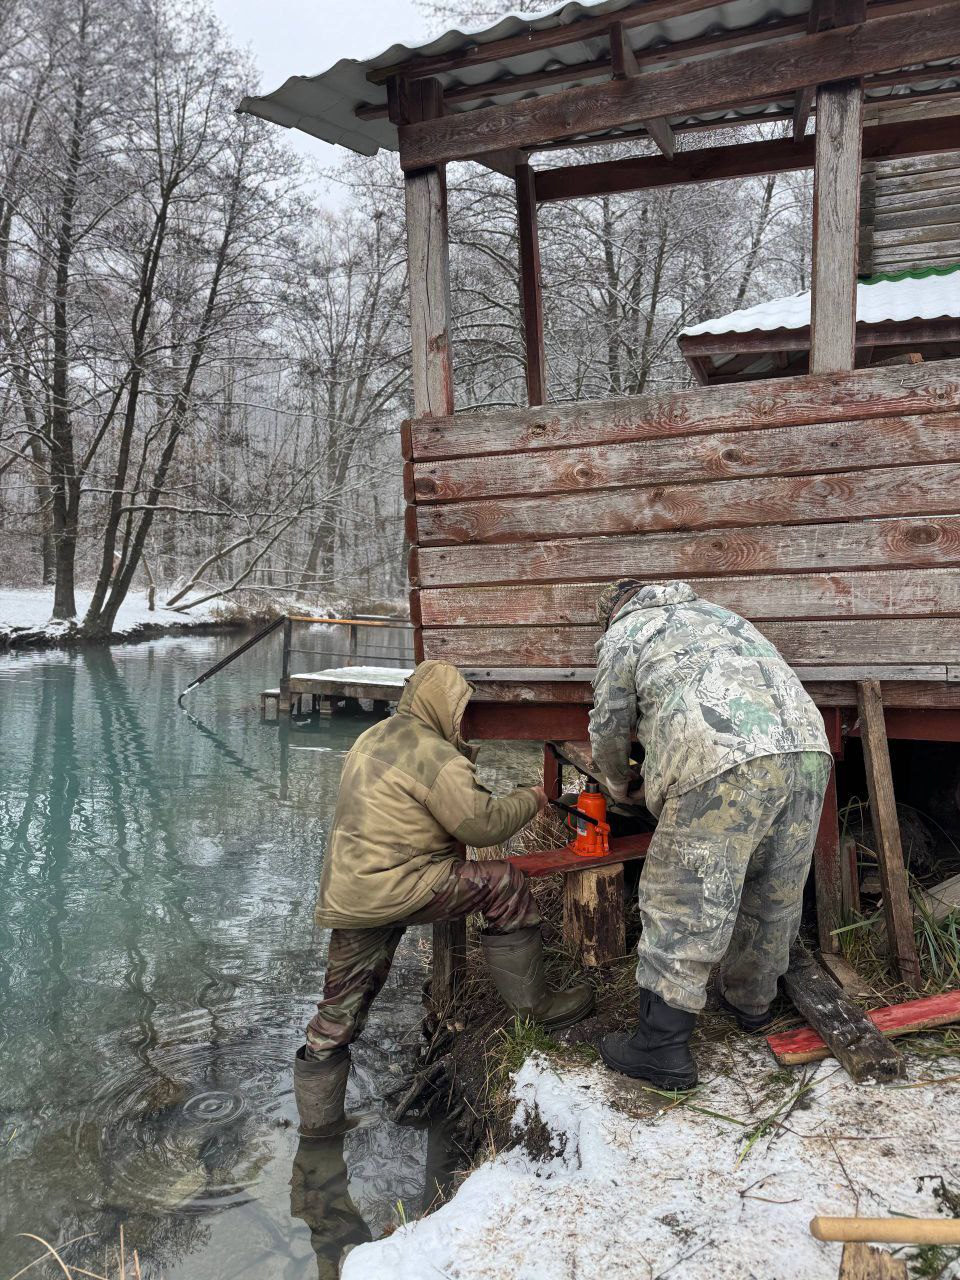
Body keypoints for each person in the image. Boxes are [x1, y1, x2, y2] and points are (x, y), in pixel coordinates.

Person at [294, 659, 594, 1136]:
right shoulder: (433, 754)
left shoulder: (374, 736)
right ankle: (535, 1008)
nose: (465, 717)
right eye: (461, 708)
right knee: (505, 883)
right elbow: (482, 824)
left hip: (351, 892)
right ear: (444, 706)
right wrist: (533, 797)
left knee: (338, 1008)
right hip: (402, 884)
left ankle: (318, 1132)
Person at [589, 580, 832, 1090]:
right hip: (808, 751)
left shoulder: (626, 632)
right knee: (774, 889)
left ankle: (661, 1048)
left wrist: (617, 785)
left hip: (720, 758)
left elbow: (609, 724)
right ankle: (751, 1005)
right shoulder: (722, 617)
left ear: (613, 611)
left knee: (683, 900)